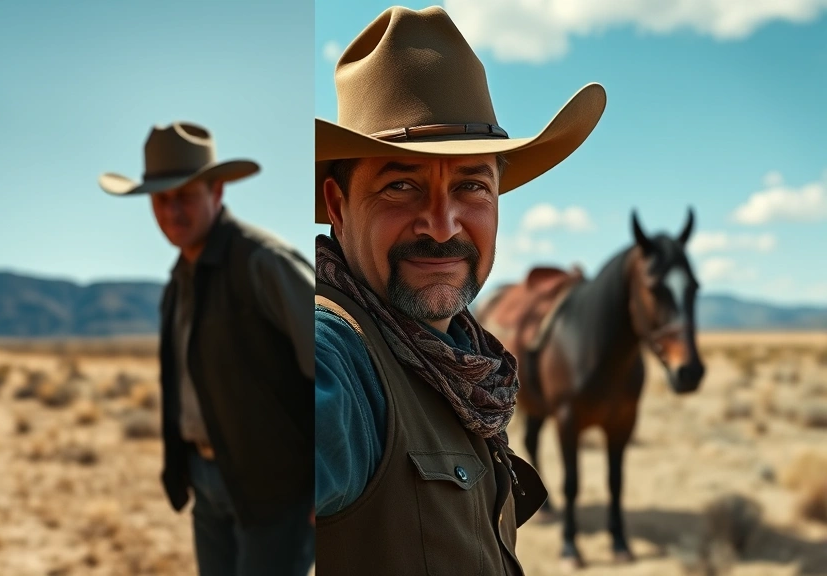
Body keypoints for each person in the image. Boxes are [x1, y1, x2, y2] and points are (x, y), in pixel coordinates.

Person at [313, 5, 606, 575]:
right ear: (337, 205)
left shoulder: (457, 365)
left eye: (472, 184)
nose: (442, 225)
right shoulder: (336, 356)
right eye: (401, 185)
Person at [99, 121, 314, 575]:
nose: (172, 210)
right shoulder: (179, 281)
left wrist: (329, 477)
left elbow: (337, 367)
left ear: (217, 192)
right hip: (208, 478)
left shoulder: (263, 261)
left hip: (277, 487)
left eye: (186, 195)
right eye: (161, 199)